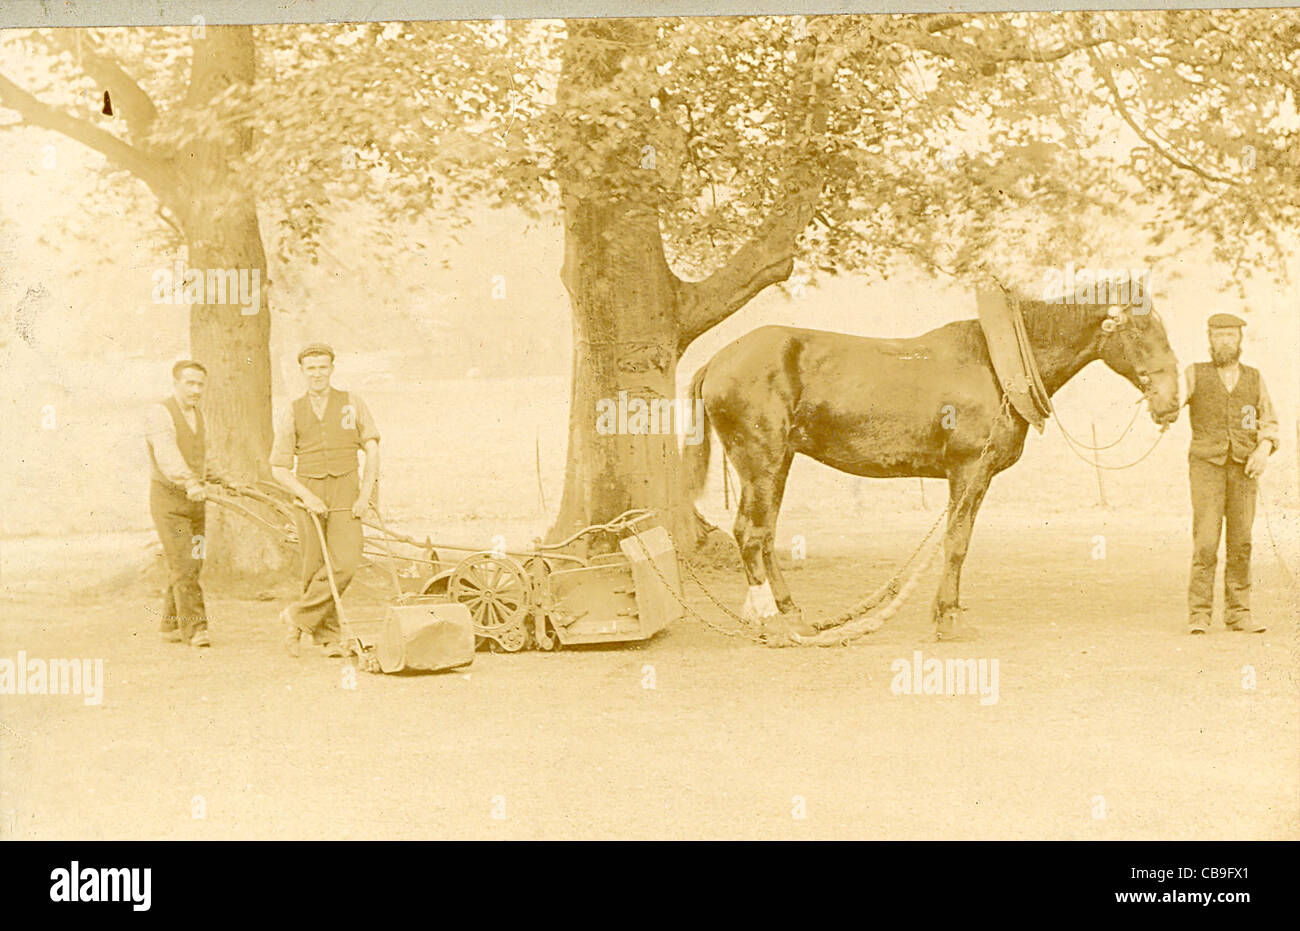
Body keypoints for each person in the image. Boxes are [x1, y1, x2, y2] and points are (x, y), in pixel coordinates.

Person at [269, 344, 380, 656]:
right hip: (309, 493)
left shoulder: (352, 402)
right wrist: (307, 497)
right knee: (314, 566)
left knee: (345, 562)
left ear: (332, 368)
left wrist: (365, 495)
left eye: (322, 367)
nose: (317, 373)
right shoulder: (292, 410)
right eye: (310, 368)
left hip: (347, 490)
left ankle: (297, 617)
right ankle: (328, 639)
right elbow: (279, 468)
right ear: (302, 372)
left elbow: (372, 449)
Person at [1184, 313, 1279, 634]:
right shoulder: (1193, 375)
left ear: (1240, 341)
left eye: (1230, 336)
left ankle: (1239, 614)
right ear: (1209, 339)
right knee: (1206, 542)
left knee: (1241, 542)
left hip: (1243, 470)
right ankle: (1199, 614)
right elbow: (1169, 401)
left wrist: (1263, 449)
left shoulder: (1254, 378)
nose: (1224, 341)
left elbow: (1268, 421)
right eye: (1218, 335)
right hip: (1206, 467)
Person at [144, 360, 224, 648]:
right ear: (176, 382)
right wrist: (189, 481)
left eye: (200, 384)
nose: (196, 390)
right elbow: (166, 454)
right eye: (190, 383)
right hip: (170, 501)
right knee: (184, 561)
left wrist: (222, 479)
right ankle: (196, 628)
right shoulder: (160, 414)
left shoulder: (198, 415)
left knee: (193, 561)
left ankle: (170, 624)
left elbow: (204, 455)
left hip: (196, 502)